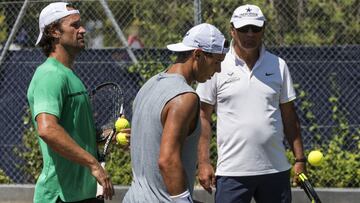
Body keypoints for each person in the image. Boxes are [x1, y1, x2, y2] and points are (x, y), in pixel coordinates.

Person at [196, 4, 306, 203]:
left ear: (263, 29)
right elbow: (203, 116)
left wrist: (300, 159)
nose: (249, 34)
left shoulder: (278, 65)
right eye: (243, 29)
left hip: (276, 170)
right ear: (232, 30)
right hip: (231, 172)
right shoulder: (217, 65)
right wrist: (203, 162)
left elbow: (290, 116)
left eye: (255, 28)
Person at [123, 23, 229, 203]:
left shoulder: (149, 85)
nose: (218, 70)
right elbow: (167, 160)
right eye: (217, 62)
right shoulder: (186, 97)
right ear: (198, 54)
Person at [27, 2, 114, 202]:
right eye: (74, 25)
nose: (82, 29)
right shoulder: (49, 75)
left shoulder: (69, 75)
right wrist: (93, 164)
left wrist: (110, 135)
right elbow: (47, 129)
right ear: (54, 31)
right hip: (59, 196)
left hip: (82, 194)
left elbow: (76, 133)